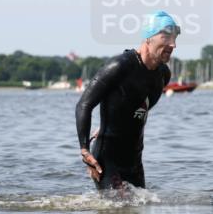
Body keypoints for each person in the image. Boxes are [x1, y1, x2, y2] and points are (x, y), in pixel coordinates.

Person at [75, 11, 175, 190]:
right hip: (107, 159)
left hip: (135, 160)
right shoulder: (119, 66)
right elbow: (84, 104)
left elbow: (138, 105)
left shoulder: (162, 75)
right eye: (166, 37)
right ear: (148, 38)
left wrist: (115, 118)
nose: (173, 44)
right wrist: (85, 151)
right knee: (117, 211)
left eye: (174, 38)